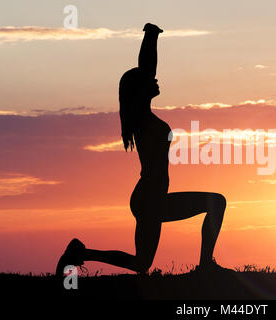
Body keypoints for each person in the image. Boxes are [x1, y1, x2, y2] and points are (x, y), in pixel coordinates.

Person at [56, 23, 228, 276]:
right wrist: (151, 37)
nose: (155, 80)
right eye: (149, 81)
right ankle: (205, 267)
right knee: (216, 202)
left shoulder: (141, 117)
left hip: (151, 198)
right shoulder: (141, 118)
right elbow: (147, 70)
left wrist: (152, 37)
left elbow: (146, 73)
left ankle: (80, 254)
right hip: (150, 198)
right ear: (140, 90)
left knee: (141, 263)